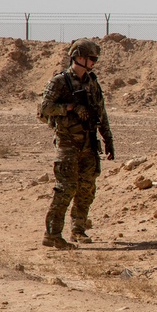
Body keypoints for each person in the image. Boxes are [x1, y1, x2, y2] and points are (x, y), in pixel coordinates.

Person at [38, 39, 115, 249]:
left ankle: (78, 230)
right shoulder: (60, 82)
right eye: (92, 59)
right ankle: (52, 234)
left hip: (88, 143)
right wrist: (70, 108)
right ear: (79, 57)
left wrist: (108, 139)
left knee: (87, 188)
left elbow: (101, 112)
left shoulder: (92, 82)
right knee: (66, 188)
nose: (94, 63)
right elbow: (44, 109)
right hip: (67, 143)